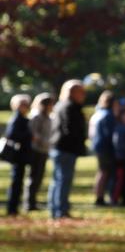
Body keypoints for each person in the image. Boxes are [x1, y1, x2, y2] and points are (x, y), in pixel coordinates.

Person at [48, 80, 88, 220]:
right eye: (81, 92)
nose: (84, 95)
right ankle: (60, 210)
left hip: (60, 147)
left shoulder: (61, 105)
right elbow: (70, 129)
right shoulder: (69, 107)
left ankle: (55, 209)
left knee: (58, 179)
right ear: (72, 93)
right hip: (65, 148)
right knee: (63, 180)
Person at [5, 95, 33, 216]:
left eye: (26, 104)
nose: (25, 107)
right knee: (16, 181)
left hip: (22, 154)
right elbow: (12, 135)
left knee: (18, 181)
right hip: (18, 155)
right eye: (22, 104)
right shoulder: (17, 118)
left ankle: (14, 207)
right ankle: (12, 208)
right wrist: (28, 136)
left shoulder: (21, 118)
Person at [89, 91, 117, 206]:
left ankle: (98, 196)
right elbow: (110, 134)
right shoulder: (108, 115)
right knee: (105, 173)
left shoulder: (97, 113)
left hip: (98, 146)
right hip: (106, 148)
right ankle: (100, 197)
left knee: (102, 172)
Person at [25, 93, 53, 212]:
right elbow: (33, 134)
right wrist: (45, 142)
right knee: (33, 177)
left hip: (44, 150)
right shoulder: (36, 117)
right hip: (36, 150)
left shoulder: (47, 117)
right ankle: (29, 203)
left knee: (39, 177)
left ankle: (33, 201)